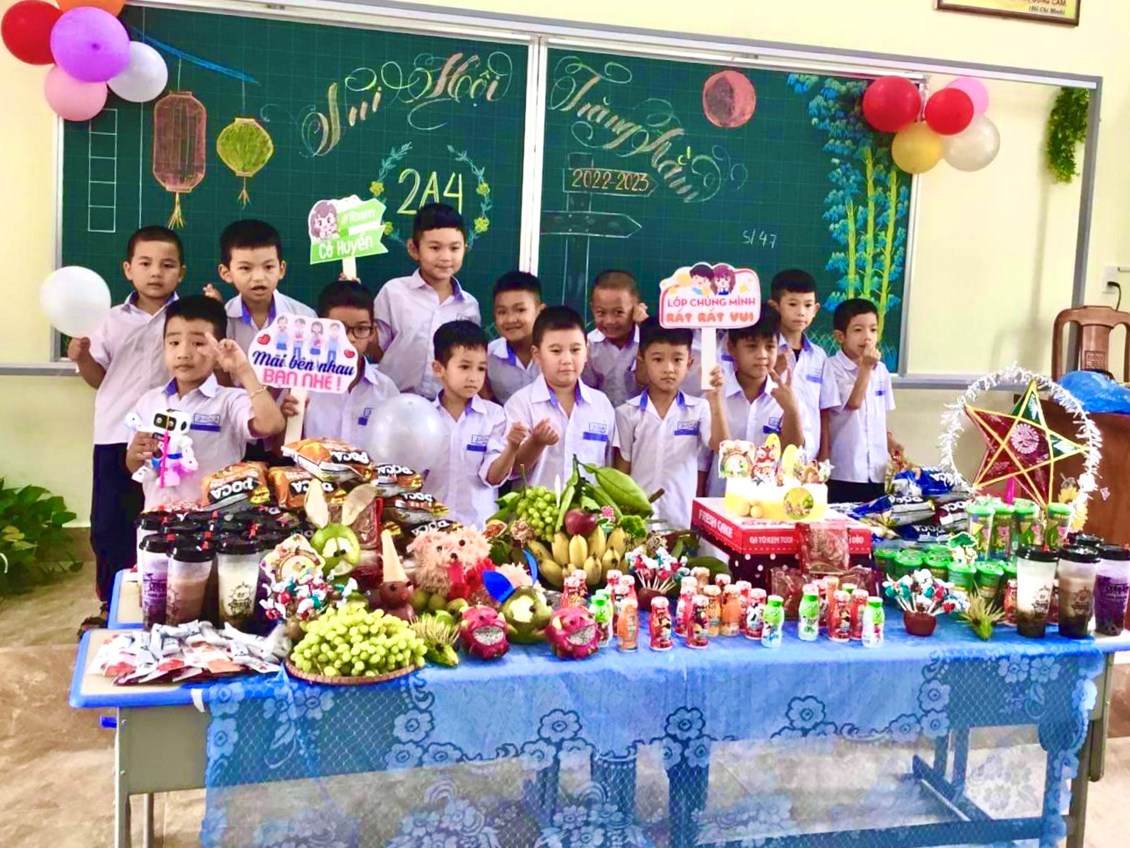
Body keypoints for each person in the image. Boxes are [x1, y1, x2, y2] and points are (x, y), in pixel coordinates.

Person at [68, 225, 186, 632]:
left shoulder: (186, 318)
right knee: (109, 525)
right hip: (114, 434)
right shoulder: (107, 320)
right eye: (146, 263)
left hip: (168, 439)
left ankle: (168, 604)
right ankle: (112, 604)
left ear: (181, 272)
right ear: (127, 269)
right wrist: (82, 357)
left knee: (162, 520)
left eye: (167, 265)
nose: (156, 273)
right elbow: (97, 379)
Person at [126, 296, 285, 508]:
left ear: (218, 349)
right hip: (157, 521)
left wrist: (243, 370)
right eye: (174, 343)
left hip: (213, 522)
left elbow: (272, 425)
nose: (183, 354)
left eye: (198, 343)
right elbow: (135, 466)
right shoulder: (149, 401)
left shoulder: (229, 400)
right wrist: (134, 454)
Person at [613, 318, 727, 529]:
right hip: (638, 524)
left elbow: (721, 447)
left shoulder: (698, 409)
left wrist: (715, 399)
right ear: (643, 361)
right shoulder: (627, 413)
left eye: (677, 359)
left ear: (689, 363)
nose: (668, 368)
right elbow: (621, 473)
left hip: (681, 523)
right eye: (658, 359)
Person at [422, 321, 528, 526]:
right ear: (438, 368)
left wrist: (512, 447)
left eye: (481, 369)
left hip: (478, 529)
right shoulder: (423, 415)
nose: (474, 377)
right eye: (464, 367)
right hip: (429, 527)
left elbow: (493, 478)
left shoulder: (494, 416)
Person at [371, 203, 481, 398]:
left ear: (465, 248)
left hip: (445, 406)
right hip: (394, 400)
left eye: (454, 248)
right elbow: (376, 348)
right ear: (414, 249)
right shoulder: (394, 293)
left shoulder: (469, 306)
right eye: (435, 248)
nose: (446, 257)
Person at [505, 306, 616, 488]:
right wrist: (536, 443)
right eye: (556, 351)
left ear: (586, 351)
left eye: (575, 349)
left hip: (590, 506)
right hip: (535, 506)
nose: (566, 359)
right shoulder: (521, 403)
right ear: (537, 355)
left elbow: (608, 467)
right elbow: (511, 469)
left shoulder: (601, 404)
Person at [283, 280, 400, 443]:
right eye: (339, 329)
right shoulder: (302, 384)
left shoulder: (385, 390)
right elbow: (283, 449)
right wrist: (289, 421)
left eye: (361, 329)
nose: (350, 338)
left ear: (372, 332)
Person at [707, 307, 803, 497]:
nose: (762, 355)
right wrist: (716, 402)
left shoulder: (786, 396)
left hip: (768, 500)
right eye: (752, 346)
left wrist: (791, 410)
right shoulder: (717, 394)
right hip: (720, 499)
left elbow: (791, 449)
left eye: (770, 346)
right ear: (731, 348)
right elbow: (716, 448)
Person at [819, 298, 901, 504]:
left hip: (877, 470)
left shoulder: (881, 370)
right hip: (844, 470)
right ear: (840, 336)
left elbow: (878, 416)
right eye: (858, 330)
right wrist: (866, 367)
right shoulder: (832, 367)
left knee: (874, 521)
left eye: (873, 330)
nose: (867, 337)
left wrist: (890, 441)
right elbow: (853, 403)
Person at [213, 219, 315, 353]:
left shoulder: (305, 317)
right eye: (245, 268)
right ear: (226, 273)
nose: (259, 277)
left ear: (281, 270)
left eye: (268, 267)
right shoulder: (221, 322)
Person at [767, 269, 835, 459]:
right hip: (769, 453)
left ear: (816, 309)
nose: (801, 312)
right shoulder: (765, 352)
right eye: (792, 304)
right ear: (775, 307)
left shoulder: (819, 357)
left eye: (808, 305)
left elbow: (824, 411)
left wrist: (823, 456)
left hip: (808, 457)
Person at [582, 269, 648, 408]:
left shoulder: (649, 341)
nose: (609, 321)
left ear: (636, 308)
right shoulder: (588, 345)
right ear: (592, 309)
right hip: (601, 417)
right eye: (601, 312)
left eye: (619, 312)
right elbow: (586, 390)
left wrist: (647, 327)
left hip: (642, 418)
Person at [487, 270, 543, 403]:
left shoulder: (556, 352)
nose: (511, 319)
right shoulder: (489, 356)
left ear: (540, 312)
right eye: (502, 312)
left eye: (520, 310)